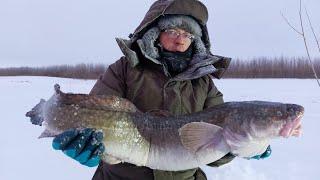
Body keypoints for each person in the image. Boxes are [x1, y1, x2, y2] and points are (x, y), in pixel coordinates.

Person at [51, 0, 272, 179]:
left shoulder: (204, 83)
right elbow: (97, 112)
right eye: (174, 31)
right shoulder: (124, 69)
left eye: (188, 35)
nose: (180, 40)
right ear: (154, 33)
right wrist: (90, 146)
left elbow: (213, 153)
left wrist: (244, 145)